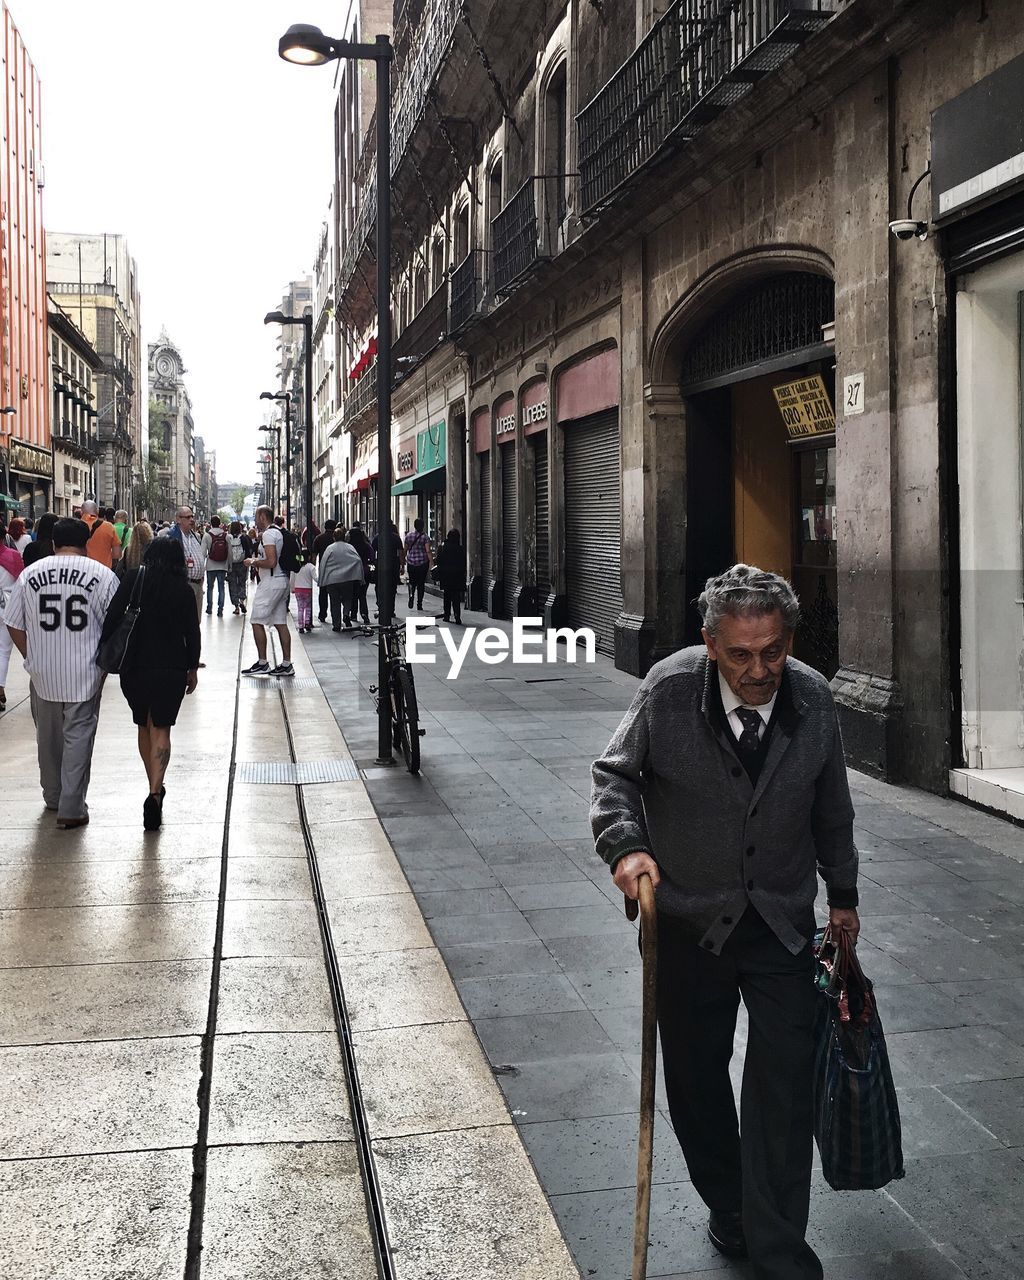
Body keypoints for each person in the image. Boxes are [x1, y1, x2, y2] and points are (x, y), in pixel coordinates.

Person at [590, 564, 859, 1280]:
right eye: (740, 654)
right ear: (711, 644)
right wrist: (626, 846)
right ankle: (728, 1203)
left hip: (779, 925)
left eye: (772, 650)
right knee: (696, 1077)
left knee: (782, 1082)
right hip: (685, 925)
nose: (758, 669)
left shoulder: (813, 699)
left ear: (788, 639)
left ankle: (778, 1248)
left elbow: (832, 807)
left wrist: (844, 896)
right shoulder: (671, 689)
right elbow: (614, 776)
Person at [3, 517, 119, 828]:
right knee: (78, 737)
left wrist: (32, 654)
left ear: (53, 543)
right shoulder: (103, 575)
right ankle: (71, 806)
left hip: (43, 673)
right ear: (85, 544)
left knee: (48, 738)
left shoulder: (30, 575)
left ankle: (53, 796)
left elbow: (13, 622)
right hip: (85, 669)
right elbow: (116, 624)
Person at [101, 536, 201, 831]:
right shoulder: (182, 590)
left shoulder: (134, 579)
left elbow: (111, 618)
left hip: (135, 667)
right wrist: (192, 667)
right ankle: (155, 793)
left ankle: (152, 784)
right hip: (170, 668)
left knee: (144, 726)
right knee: (162, 728)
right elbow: (192, 632)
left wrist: (108, 649)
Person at [242, 504, 294, 677]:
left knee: (256, 620)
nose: (255, 520)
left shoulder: (269, 534)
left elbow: (271, 562)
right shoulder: (277, 532)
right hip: (281, 580)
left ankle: (263, 662)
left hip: (271, 582)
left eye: (257, 516)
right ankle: (286, 664)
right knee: (280, 623)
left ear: (262, 516)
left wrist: (253, 562)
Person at [318, 526, 365, 631]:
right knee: (348, 599)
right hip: (347, 579)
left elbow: (323, 564)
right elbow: (358, 560)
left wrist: (321, 580)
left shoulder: (330, 548)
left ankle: (336, 624)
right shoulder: (350, 547)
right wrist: (359, 576)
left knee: (334, 602)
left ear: (333, 537)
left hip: (332, 580)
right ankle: (346, 613)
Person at [0, 528, 24, 710]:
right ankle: (0, 688)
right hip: (6, 608)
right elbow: (20, 581)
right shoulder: (13, 556)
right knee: (3, 651)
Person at [166, 506, 205, 616]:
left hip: (197, 584)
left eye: (192, 516)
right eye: (188, 517)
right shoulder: (173, 537)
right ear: (178, 519)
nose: (192, 520)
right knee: (185, 619)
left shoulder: (194, 536)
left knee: (196, 621)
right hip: (184, 584)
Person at [371, 520, 403, 620]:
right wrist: (402, 565)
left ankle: (381, 605)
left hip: (380, 565)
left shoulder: (377, 537)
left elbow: (373, 552)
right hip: (394, 565)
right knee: (392, 588)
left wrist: (372, 565)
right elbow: (401, 552)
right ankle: (391, 609)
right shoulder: (396, 537)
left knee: (379, 586)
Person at [435, 528, 467, 625]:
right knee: (456, 597)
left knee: (447, 596)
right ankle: (457, 616)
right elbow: (463, 563)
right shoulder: (461, 549)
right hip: (457, 576)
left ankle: (447, 615)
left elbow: (439, 561)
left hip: (446, 576)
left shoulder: (442, 548)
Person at [201, 515, 230, 616]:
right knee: (221, 588)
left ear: (211, 523)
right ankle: (220, 609)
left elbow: (203, 553)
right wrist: (229, 565)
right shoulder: (226, 536)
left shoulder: (207, 536)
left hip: (210, 565)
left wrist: (201, 567)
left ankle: (209, 607)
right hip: (222, 565)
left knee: (210, 587)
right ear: (220, 523)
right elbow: (229, 552)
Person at [347, 522, 374, 625]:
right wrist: (371, 571)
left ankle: (353, 614)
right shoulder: (366, 546)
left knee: (353, 594)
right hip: (365, 572)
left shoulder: (349, 547)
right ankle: (364, 615)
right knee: (362, 595)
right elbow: (372, 559)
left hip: (352, 573)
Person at [404, 518, 432, 611]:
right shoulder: (425, 537)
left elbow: (405, 549)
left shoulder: (409, 536)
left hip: (411, 563)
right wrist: (432, 563)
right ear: (423, 526)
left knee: (412, 582)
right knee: (421, 584)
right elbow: (428, 550)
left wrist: (402, 561)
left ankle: (411, 595)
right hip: (422, 563)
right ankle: (419, 603)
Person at [313, 519, 337, 623]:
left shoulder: (319, 538)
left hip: (323, 569)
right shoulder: (337, 538)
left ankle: (322, 614)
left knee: (323, 593)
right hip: (336, 569)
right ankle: (336, 616)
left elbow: (314, 555)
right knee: (335, 594)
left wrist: (313, 568)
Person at [227, 520, 253, 615]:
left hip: (231, 564)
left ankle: (236, 606)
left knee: (232, 584)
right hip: (242, 563)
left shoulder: (228, 538)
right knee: (242, 582)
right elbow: (248, 550)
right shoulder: (244, 537)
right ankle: (242, 600)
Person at [292, 531, 316, 634]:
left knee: (300, 608)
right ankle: (307, 624)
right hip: (308, 590)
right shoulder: (310, 567)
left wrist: (292, 588)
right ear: (309, 557)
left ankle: (300, 626)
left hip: (298, 589)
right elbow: (316, 578)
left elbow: (292, 577)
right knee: (308, 608)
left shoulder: (297, 566)